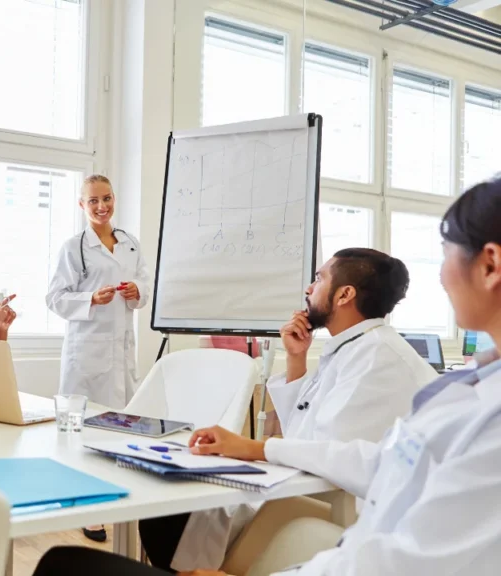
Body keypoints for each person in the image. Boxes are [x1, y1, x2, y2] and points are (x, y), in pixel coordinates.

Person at [177, 179, 501, 575]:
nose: (441, 276)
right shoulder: (358, 348)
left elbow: (409, 557)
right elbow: (372, 458)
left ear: (489, 265)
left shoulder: (378, 356)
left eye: (446, 254)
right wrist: (291, 373)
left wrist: (257, 447)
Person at [138, 248, 439, 571]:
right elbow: (305, 431)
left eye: (319, 278)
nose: (309, 288)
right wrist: (296, 358)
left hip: (344, 507)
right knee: (168, 510)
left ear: (345, 294)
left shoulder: (377, 358)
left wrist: (250, 447)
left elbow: (330, 456)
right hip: (307, 487)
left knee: (172, 517)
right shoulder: (353, 347)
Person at [46, 174, 152, 543]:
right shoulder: (73, 248)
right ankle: (88, 509)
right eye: (93, 201)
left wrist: (138, 290)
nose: (101, 206)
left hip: (122, 348)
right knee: (84, 430)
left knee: (120, 428)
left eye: (106, 198)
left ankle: (116, 500)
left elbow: (145, 286)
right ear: (81, 205)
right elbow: (55, 299)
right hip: (86, 352)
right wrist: (92, 298)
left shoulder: (130, 244)